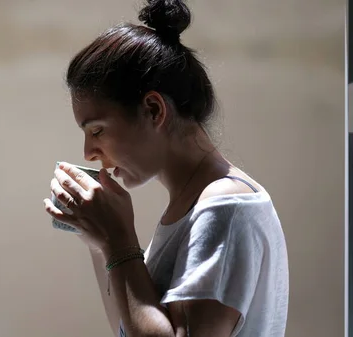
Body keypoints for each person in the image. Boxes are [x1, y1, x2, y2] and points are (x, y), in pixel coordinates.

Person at [42, 0, 289, 336]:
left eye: (97, 130)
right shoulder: (194, 205)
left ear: (154, 110)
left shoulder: (227, 207)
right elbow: (127, 327)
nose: (88, 152)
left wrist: (119, 241)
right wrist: (101, 243)